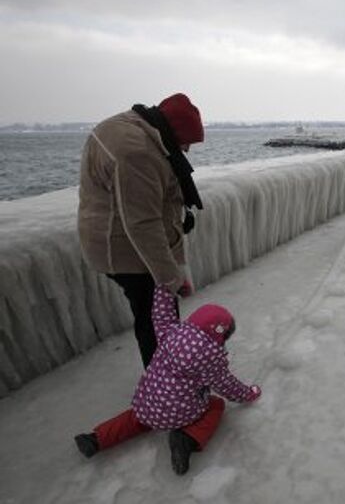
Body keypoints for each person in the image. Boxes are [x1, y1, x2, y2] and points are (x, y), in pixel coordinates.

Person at [74, 285, 261, 475]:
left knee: (133, 418)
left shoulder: (169, 333)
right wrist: (249, 394)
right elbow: (228, 386)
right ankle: (187, 439)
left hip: (148, 403)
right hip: (181, 413)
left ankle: (96, 439)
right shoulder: (211, 360)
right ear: (220, 335)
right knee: (216, 405)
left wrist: (166, 287)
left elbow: (162, 313)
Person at [78, 93, 205, 367]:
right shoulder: (137, 152)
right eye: (186, 142)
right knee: (157, 319)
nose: (187, 150)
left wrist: (178, 265)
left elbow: (166, 208)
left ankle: (166, 376)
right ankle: (166, 386)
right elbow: (144, 223)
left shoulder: (138, 126)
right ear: (174, 132)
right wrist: (171, 277)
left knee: (155, 314)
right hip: (123, 248)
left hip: (115, 237)